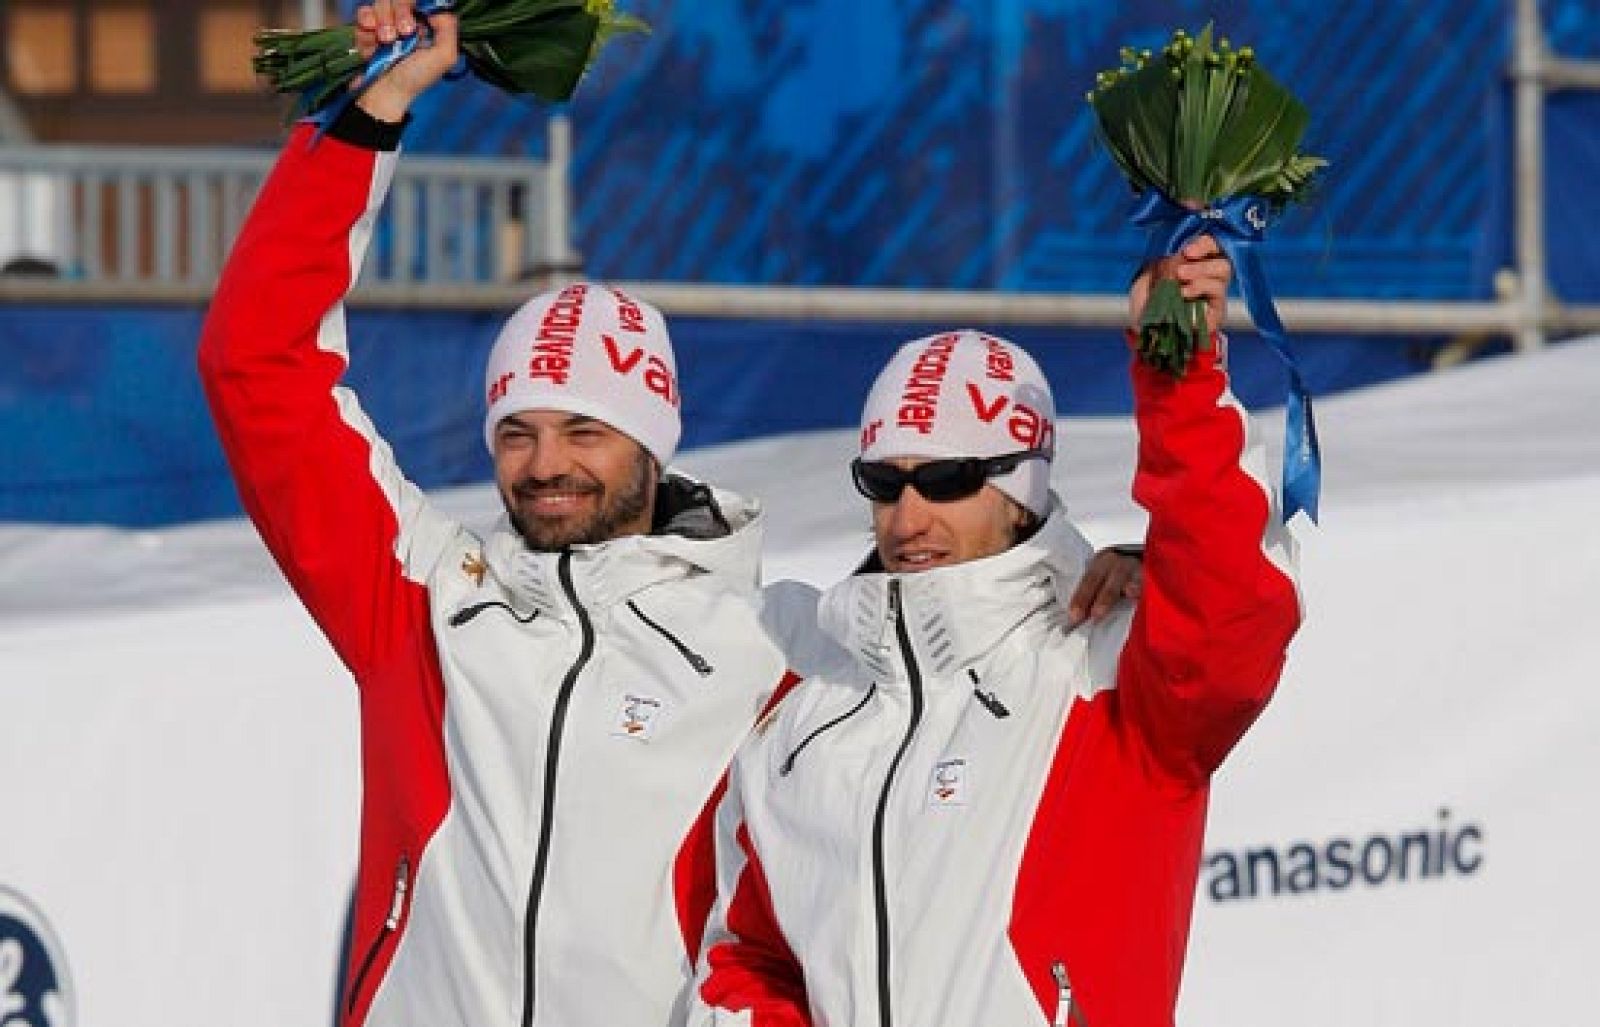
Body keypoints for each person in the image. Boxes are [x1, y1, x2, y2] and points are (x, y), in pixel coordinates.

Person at [198, 4, 1141, 1025]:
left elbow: (963, 619)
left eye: (584, 431)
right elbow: (255, 364)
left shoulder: (779, 642)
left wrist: (1101, 562)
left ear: (653, 444)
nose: (547, 465)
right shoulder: (418, 599)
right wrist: (371, 111)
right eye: (517, 432)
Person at [689, 243, 1302, 1027]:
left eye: (947, 480)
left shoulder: (1102, 669)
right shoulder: (802, 725)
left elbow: (1233, 606)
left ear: (1020, 494)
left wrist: (1177, 377)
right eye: (885, 482)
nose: (909, 518)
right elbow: (748, 960)